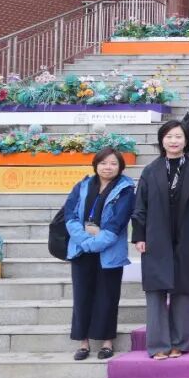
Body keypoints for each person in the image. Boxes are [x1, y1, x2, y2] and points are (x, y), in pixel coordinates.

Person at [132, 120, 189, 360]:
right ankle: (158, 344)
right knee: (156, 290)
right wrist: (139, 235)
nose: (174, 141)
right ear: (162, 140)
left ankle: (180, 342)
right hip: (155, 235)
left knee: (183, 289)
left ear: (186, 141)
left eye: (178, 136)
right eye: (169, 136)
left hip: (187, 235)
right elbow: (140, 205)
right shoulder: (151, 170)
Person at [64, 148, 136, 361]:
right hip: (81, 250)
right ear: (95, 165)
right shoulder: (82, 185)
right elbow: (70, 215)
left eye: (113, 163)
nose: (108, 167)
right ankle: (83, 342)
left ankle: (107, 342)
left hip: (109, 250)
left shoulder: (126, 190)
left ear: (120, 167)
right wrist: (84, 241)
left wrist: (95, 243)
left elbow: (118, 222)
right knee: (82, 296)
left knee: (108, 296)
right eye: (103, 163)